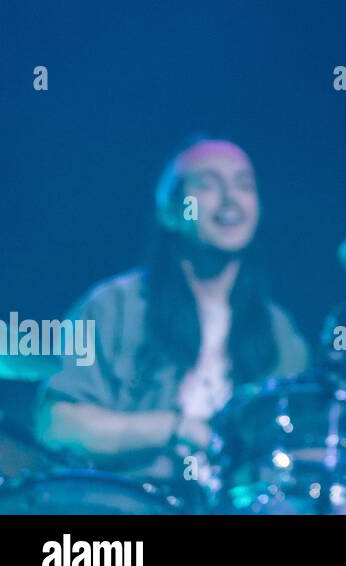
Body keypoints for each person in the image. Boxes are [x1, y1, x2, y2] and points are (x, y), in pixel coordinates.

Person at [35, 136, 309, 489]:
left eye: (244, 184)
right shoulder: (114, 305)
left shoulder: (280, 332)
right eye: (208, 184)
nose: (231, 198)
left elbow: (299, 449)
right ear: (169, 210)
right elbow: (57, 426)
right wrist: (175, 428)